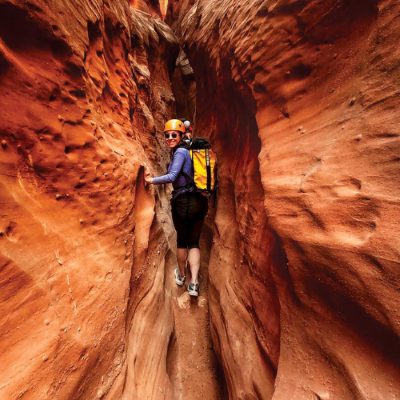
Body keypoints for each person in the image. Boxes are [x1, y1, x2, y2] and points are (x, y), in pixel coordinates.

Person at [144, 119, 208, 297]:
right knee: (194, 242)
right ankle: (194, 284)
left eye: (174, 135)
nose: (169, 138)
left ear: (180, 136)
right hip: (199, 201)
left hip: (183, 203)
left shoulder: (179, 152)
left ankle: (182, 276)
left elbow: (172, 176)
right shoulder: (190, 152)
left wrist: (152, 180)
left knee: (182, 241)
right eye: (167, 135)